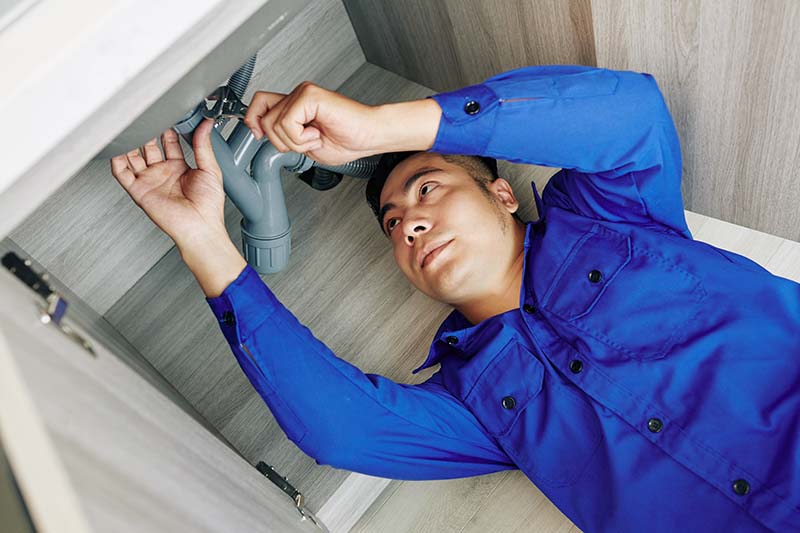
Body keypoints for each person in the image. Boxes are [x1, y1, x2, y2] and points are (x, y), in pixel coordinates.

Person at [110, 65, 799, 532]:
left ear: (501, 194)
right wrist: (203, 240)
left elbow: (633, 113)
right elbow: (343, 429)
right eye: (391, 223)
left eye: (427, 189)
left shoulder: (613, 216)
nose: (406, 221)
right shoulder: (474, 399)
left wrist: (385, 129)